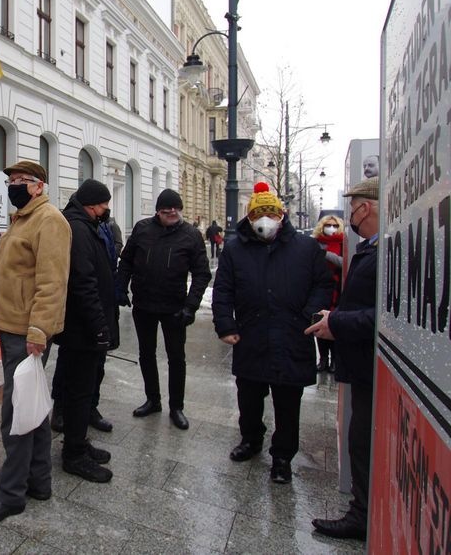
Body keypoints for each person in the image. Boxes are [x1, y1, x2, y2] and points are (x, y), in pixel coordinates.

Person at [212, 183, 332, 484]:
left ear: (282, 215)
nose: (264, 220)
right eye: (258, 215)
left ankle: (282, 456)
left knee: (288, 403)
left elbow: (323, 285)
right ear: (250, 217)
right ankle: (251, 440)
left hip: (292, 335)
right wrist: (226, 324)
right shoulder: (236, 248)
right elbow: (223, 290)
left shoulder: (306, 248)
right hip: (251, 335)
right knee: (249, 398)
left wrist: (308, 316)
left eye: (270, 213)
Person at [0, 161, 70, 524]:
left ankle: (11, 494)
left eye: (21, 181)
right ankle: (39, 481)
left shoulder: (49, 221)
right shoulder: (22, 219)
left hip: (28, 333)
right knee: (32, 408)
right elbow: (12, 275)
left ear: (39, 186)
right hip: (13, 326)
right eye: (10, 180)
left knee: (15, 415)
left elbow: (52, 283)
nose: (13, 185)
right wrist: (0, 318)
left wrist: (38, 330)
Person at [308, 179, 379, 540]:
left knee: (364, 439)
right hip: (366, 365)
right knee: (360, 438)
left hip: (372, 365)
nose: (348, 215)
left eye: (352, 208)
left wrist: (337, 321)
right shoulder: (372, 248)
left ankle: (363, 514)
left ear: (365, 208)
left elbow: (383, 317)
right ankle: (362, 510)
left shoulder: (384, 250)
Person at [116, 188, 211, 430]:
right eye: (166, 208)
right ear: (157, 210)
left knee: (176, 357)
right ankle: (153, 399)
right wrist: (120, 288)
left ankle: (176, 406)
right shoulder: (142, 229)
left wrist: (191, 306)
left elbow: (201, 273)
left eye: (175, 207)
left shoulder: (191, 235)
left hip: (174, 308)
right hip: (144, 304)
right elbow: (126, 260)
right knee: (146, 354)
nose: (171, 211)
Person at [50, 179, 117, 483]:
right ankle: (73, 455)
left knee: (82, 389)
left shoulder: (85, 224)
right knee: (79, 391)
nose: (106, 209)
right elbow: (83, 281)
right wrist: (99, 326)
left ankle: (77, 442)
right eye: (104, 204)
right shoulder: (77, 228)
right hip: (82, 328)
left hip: (85, 326)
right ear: (92, 204)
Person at [311, 215, 345, 373]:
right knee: (318, 322)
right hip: (319, 288)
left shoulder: (343, 243)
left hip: (338, 289)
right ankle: (323, 358)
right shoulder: (315, 243)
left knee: (335, 323)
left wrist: (326, 254)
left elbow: (344, 263)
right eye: (328, 225)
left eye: (334, 225)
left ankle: (335, 360)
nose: (331, 227)